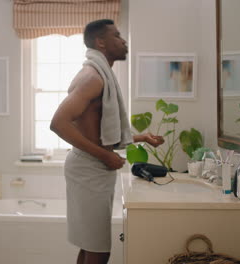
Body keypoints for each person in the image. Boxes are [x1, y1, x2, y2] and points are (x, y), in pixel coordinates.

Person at [50, 19, 164, 264]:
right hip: (88, 168)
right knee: (99, 250)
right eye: (117, 36)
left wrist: (138, 137)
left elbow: (97, 132)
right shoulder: (93, 78)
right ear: (100, 42)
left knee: (90, 245)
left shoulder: (100, 75)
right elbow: (58, 123)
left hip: (91, 167)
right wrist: (105, 155)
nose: (123, 41)